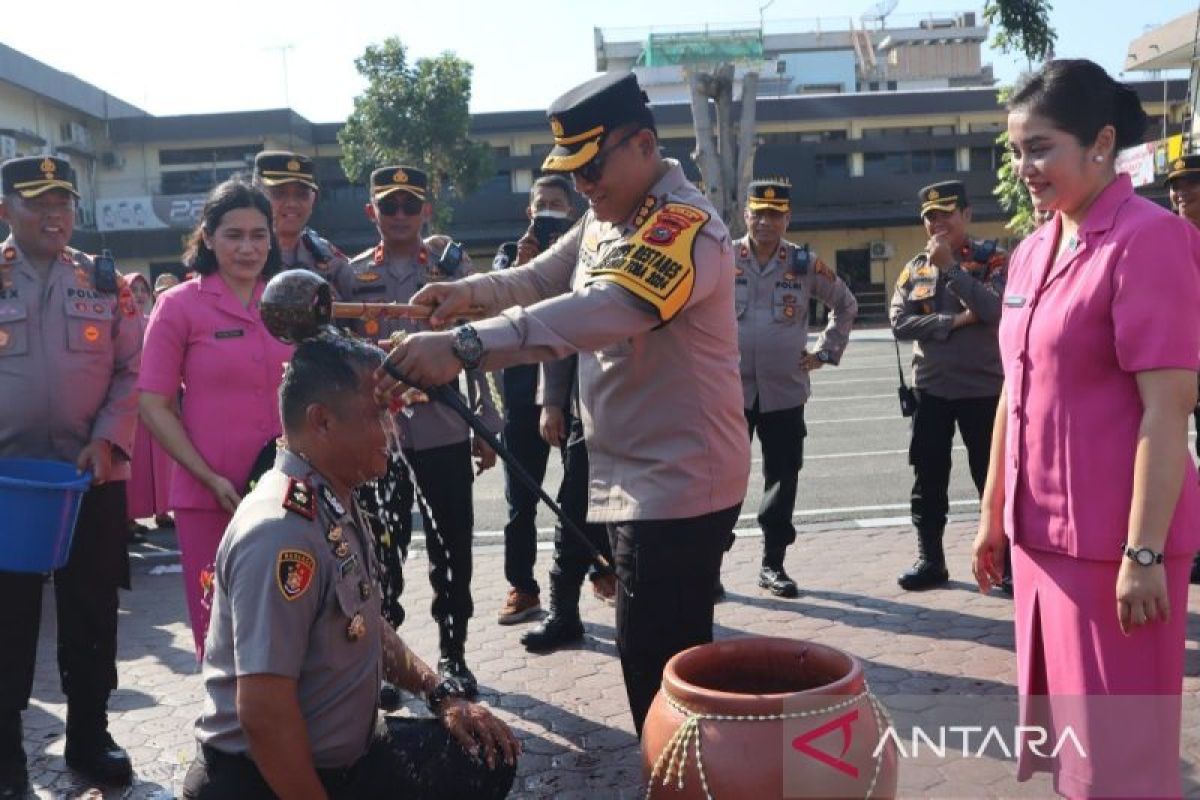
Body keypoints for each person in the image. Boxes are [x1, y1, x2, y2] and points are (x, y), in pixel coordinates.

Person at [375, 72, 751, 734]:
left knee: (661, 665)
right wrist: (468, 293)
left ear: (640, 145)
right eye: (572, 173)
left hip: (679, 481)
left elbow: (593, 313)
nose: (583, 186)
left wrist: (463, 346)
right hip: (633, 475)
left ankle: (682, 777)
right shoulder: (611, 216)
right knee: (655, 661)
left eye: (591, 167)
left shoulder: (682, 228)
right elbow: (543, 275)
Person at [972, 59, 1200, 798]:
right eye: (1015, 150)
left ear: (1100, 144)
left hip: (1114, 552)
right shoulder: (1036, 248)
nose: (1024, 167)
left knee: (1123, 767)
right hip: (1041, 545)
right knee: (1072, 754)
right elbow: (1016, 388)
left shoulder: (1149, 239)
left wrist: (1144, 550)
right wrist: (990, 516)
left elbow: (1168, 408)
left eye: (1040, 147)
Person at [180, 334, 518, 799]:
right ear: (321, 422)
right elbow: (263, 715)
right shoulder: (280, 532)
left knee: (484, 755)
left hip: (344, 759)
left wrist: (440, 695)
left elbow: (364, 625)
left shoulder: (331, 497)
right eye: (378, 414)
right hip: (268, 779)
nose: (393, 431)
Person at [0, 156, 141, 792]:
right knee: (5, 618)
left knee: (91, 611)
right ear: (6, 210)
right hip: (9, 488)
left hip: (90, 479)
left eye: (64, 202)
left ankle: (89, 735)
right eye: (38, 202)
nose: (55, 214)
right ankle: (4, 753)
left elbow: (133, 370)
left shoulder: (106, 282)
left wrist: (109, 439)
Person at [333, 166, 501, 696]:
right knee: (381, 554)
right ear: (372, 213)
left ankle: (454, 655)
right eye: (389, 206)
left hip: (445, 429)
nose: (400, 215)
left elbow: (475, 346)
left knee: (452, 548)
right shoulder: (348, 277)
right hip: (379, 440)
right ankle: (384, 659)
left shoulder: (452, 272)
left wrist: (487, 417)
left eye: (410, 205)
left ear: (426, 210)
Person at [138, 178, 293, 659]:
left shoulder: (291, 300)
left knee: (291, 622)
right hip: (210, 496)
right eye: (233, 234)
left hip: (291, 493)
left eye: (258, 234)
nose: (248, 248)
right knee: (219, 631)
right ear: (206, 236)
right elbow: (153, 404)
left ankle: (288, 732)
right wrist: (205, 476)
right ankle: (227, 733)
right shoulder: (179, 305)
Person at [495, 174, 615, 626]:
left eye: (556, 204)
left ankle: (600, 570)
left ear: (572, 211)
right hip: (523, 394)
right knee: (520, 499)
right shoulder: (512, 256)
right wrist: (523, 267)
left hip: (574, 393)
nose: (547, 209)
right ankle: (523, 588)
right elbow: (495, 310)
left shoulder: (587, 255)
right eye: (540, 203)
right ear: (529, 210)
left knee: (583, 491)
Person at [734, 179, 858, 597]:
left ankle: (773, 564)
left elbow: (845, 304)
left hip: (784, 393)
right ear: (745, 215)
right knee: (720, 480)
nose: (765, 221)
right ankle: (709, 565)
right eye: (758, 213)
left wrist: (824, 352)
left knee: (782, 478)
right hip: (729, 392)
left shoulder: (804, 264)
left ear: (787, 218)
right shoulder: (721, 258)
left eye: (774, 214)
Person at [890, 179, 1007, 591]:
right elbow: (899, 323)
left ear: (967, 215)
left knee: (990, 480)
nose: (938, 222)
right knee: (928, 477)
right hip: (932, 390)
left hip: (984, 390)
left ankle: (1002, 564)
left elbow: (994, 309)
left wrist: (952, 271)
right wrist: (953, 321)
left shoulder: (993, 260)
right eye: (930, 216)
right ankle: (931, 560)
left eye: (946, 213)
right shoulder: (913, 267)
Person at [1166, 154, 1200, 584]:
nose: (1180, 193)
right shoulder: (1167, 237)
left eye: (1190, 183)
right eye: (1175, 185)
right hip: (1177, 364)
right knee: (1173, 453)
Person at [253, 150, 349, 286]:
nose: (292, 203)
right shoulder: (242, 255)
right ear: (256, 196)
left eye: (301, 194)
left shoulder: (326, 255)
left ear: (313, 199)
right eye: (279, 194)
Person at [125, 273, 174, 536]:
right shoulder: (118, 323)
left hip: (155, 399)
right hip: (130, 402)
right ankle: (130, 516)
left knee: (161, 457)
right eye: (134, 289)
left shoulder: (155, 322)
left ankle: (163, 510)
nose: (140, 294)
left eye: (143, 289)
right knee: (134, 461)